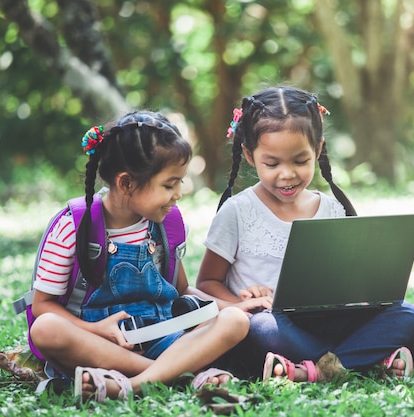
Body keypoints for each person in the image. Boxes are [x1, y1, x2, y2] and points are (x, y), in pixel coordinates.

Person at [196, 86, 414, 382]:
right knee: (260, 328)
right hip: (275, 325)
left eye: (300, 161)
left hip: (328, 321)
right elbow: (207, 282)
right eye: (272, 163)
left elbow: (347, 279)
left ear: (317, 150)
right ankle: (362, 360)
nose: (287, 174)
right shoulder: (237, 212)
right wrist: (241, 304)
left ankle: (310, 370)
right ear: (249, 156)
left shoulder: (331, 209)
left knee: (407, 314)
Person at [29, 110, 253, 403]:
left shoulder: (168, 224)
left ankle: (131, 386)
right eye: (169, 184)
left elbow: (183, 290)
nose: (177, 195)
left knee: (236, 321)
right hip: (100, 346)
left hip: (165, 340)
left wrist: (234, 305)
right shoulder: (73, 227)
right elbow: (42, 307)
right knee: (45, 329)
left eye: (180, 183)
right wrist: (94, 330)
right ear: (126, 183)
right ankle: (176, 377)